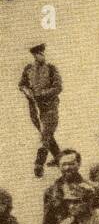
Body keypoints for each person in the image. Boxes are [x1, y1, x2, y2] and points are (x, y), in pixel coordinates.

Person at [19, 42, 62, 177]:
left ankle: (39, 164)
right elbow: (22, 84)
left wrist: (40, 94)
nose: (40, 56)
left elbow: (58, 87)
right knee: (46, 134)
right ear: (34, 55)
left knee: (45, 134)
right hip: (34, 109)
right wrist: (27, 91)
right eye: (38, 54)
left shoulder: (51, 69)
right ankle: (59, 158)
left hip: (50, 107)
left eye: (42, 53)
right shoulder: (28, 69)